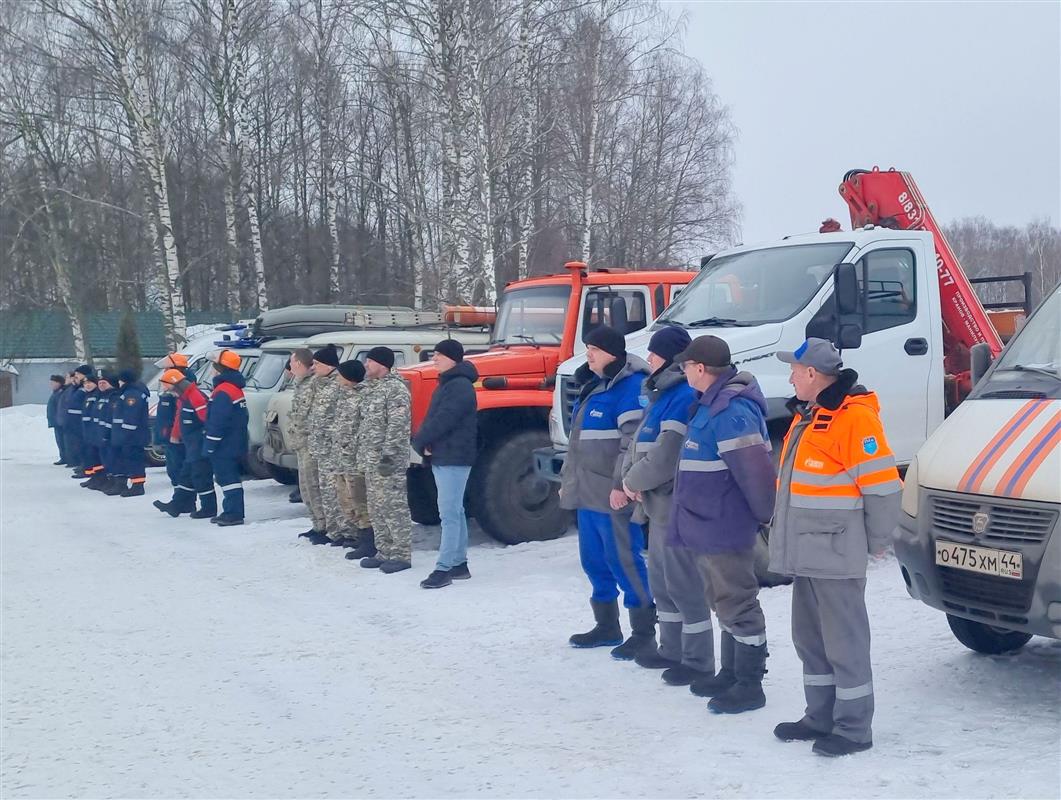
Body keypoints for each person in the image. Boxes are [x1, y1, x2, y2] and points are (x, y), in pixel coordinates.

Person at [769, 338, 902, 757]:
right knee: (809, 639)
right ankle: (820, 716)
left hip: (836, 552)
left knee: (845, 643)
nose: (790, 375)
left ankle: (853, 728)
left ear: (812, 374)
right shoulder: (810, 415)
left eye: (795, 369)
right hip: (807, 552)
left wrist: (879, 542)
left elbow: (883, 488)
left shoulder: (855, 419)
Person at [669, 335, 777, 714]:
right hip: (706, 524)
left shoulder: (731, 411)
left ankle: (749, 683)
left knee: (738, 601)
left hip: (725, 525)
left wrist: (766, 519)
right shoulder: (708, 406)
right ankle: (731, 673)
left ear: (700, 368)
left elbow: (756, 476)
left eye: (685, 365)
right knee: (722, 600)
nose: (682, 371)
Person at [620, 326, 716, 686]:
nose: (649, 359)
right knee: (662, 581)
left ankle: (698, 659)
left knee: (683, 583)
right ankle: (671, 649)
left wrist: (632, 482)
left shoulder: (679, 396)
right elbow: (639, 444)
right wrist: (630, 478)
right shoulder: (661, 394)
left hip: (673, 502)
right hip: (656, 503)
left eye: (655, 353)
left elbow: (665, 454)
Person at [560, 325, 655, 659]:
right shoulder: (596, 386)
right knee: (593, 561)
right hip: (588, 494)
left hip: (612, 495)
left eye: (594, 350)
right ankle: (607, 626)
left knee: (623, 560)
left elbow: (632, 444)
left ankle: (643, 631)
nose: (589, 355)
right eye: (588, 349)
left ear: (612, 353)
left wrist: (621, 485)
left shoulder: (630, 388)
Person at [412, 339, 478, 589]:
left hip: (454, 455)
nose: (435, 358)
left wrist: (421, 440)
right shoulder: (449, 384)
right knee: (455, 511)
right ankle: (459, 563)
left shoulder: (458, 386)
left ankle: (444, 568)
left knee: (449, 513)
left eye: (439, 355)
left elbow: (444, 419)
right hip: (447, 453)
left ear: (453, 357)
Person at [355, 346, 413, 573]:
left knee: (393, 506)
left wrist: (389, 455)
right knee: (377, 507)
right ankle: (384, 550)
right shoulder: (372, 389)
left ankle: (400, 553)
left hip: (388, 461)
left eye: (369, 361)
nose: (366, 365)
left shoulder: (395, 390)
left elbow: (397, 426)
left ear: (382, 364)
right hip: (371, 459)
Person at [153, 368, 215, 519]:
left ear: (175, 384)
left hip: (199, 444)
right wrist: (175, 435)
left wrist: (207, 441)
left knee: (201, 476)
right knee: (186, 475)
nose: (166, 390)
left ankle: (209, 508)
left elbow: (207, 420)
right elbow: (179, 419)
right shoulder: (183, 398)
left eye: (167, 386)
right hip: (190, 444)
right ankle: (177, 505)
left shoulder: (195, 396)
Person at [305, 344, 351, 545]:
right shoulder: (320, 383)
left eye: (316, 364)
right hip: (320, 448)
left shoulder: (337, 385)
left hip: (334, 449)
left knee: (337, 492)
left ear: (328, 365)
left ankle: (345, 531)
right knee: (325, 491)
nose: (313, 368)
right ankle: (331, 530)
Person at [331, 359, 374, 559]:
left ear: (349, 378)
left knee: (360, 501)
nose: (337, 378)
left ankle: (368, 541)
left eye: (340, 375)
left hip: (357, 459)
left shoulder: (363, 397)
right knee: (346, 500)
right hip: (343, 458)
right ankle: (358, 536)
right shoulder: (345, 396)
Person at [204, 349, 249, 526]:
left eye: (213, 366)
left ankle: (233, 513)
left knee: (227, 479)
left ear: (219, 369)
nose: (211, 370)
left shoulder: (223, 391)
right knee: (230, 478)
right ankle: (231, 511)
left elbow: (218, 421)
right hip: (234, 442)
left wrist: (210, 444)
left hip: (225, 444)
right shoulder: (233, 389)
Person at [285, 349, 325, 540]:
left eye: (292, 362)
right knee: (305, 486)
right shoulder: (300, 384)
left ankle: (323, 525)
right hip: (301, 444)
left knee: (313, 485)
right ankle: (316, 523)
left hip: (310, 443)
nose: (290, 366)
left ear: (299, 364)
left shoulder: (311, 385)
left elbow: (308, 416)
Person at [153, 353, 192, 491]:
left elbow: (179, 413)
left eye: (167, 368)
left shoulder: (182, 386)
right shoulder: (171, 384)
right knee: (172, 463)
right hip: (168, 431)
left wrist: (175, 433)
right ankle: (180, 492)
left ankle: (183, 494)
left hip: (176, 433)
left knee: (178, 463)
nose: (164, 372)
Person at [111, 370, 151, 497]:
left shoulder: (132, 394)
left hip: (132, 436)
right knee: (130, 459)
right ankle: (135, 484)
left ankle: (138, 486)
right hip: (129, 435)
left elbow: (131, 417)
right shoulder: (128, 393)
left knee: (135, 460)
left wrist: (125, 433)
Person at [65, 365, 93, 477]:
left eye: (78, 374)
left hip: (80, 421)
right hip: (74, 421)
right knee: (79, 446)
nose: (76, 377)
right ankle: (83, 465)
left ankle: (87, 468)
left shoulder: (86, 387)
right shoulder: (79, 387)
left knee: (84, 446)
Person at [77, 372, 103, 486]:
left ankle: (99, 477)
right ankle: (93, 476)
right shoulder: (88, 396)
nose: (87, 385)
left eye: (90, 383)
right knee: (89, 455)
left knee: (96, 455)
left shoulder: (97, 395)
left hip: (95, 430)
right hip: (87, 430)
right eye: (85, 383)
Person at [55, 373, 78, 465]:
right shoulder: (66, 390)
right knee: (63, 441)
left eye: (68, 377)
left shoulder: (70, 390)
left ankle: (72, 460)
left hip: (68, 420)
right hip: (62, 420)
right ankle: (67, 458)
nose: (66, 379)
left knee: (70, 442)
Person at [47, 374, 67, 465]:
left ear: (59, 383)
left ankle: (66, 457)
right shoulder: (56, 393)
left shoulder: (61, 393)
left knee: (62, 441)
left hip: (60, 421)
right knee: (59, 440)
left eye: (53, 383)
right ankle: (63, 456)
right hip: (55, 421)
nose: (51, 384)